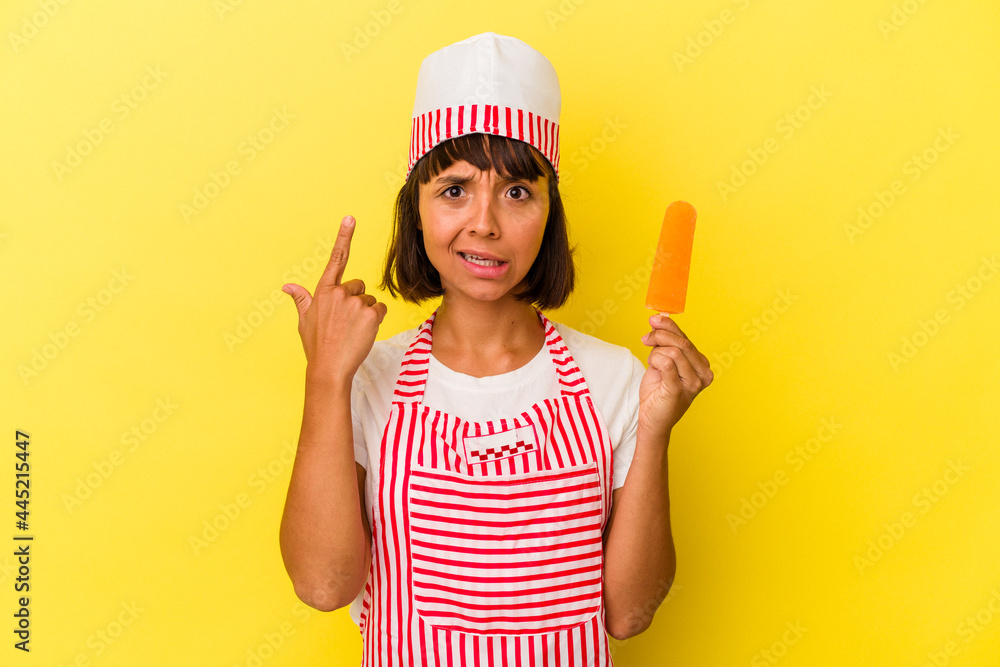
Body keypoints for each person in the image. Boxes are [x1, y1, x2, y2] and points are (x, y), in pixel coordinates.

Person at [278, 32, 713, 666]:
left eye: (517, 192)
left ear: (549, 215)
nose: (484, 222)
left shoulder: (614, 379)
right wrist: (325, 378)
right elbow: (322, 585)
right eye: (454, 189)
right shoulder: (370, 379)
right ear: (417, 212)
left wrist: (655, 433)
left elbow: (629, 613)